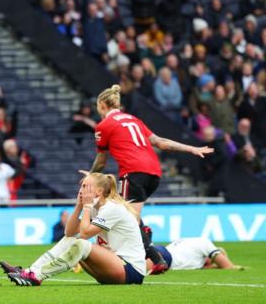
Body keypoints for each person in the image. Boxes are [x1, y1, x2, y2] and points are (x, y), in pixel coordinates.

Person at [85, 84, 213, 274]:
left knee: (125, 216)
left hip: (133, 172)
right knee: (129, 216)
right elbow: (161, 142)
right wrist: (191, 148)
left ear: (102, 104)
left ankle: (153, 257)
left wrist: (89, 176)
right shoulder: (134, 120)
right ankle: (146, 242)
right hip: (154, 173)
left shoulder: (103, 126)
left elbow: (101, 162)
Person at [1, 173, 145, 286]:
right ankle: (30, 272)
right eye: (82, 186)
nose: (81, 190)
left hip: (130, 270)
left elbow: (84, 234)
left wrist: (87, 207)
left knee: (81, 244)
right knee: (71, 240)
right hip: (113, 268)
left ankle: (37, 276)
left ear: (99, 191)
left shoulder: (111, 208)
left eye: (86, 187)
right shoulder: (96, 207)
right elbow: (69, 233)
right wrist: (79, 206)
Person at [149, 238, 239, 271]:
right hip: (164, 257)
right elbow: (227, 266)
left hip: (161, 252)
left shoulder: (193, 245)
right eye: (212, 262)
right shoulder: (206, 244)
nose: (209, 264)